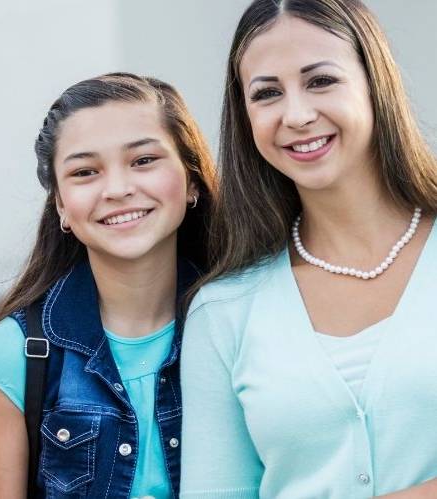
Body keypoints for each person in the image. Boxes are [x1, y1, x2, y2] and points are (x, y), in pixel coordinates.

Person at [180, 1, 437, 498]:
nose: (296, 115)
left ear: (373, 81)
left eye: (321, 81)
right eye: (267, 93)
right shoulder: (223, 312)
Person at [0, 73, 216, 499]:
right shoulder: (16, 354)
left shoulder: (241, 322)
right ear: (61, 204)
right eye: (85, 172)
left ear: (191, 179)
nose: (118, 189)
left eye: (143, 161)